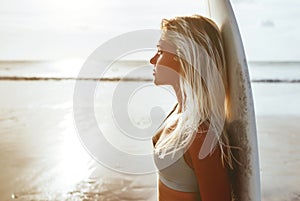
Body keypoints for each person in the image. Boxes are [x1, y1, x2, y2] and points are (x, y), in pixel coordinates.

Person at [150, 15, 233, 201]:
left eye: (160, 51)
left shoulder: (201, 133)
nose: (152, 60)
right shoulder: (178, 110)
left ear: (184, 57)